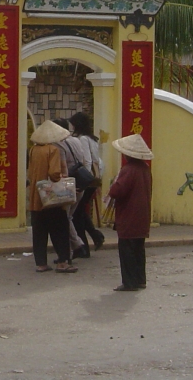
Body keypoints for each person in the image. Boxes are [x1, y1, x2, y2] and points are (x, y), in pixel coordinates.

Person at [27, 120, 76, 274]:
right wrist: (61, 177)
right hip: (51, 197)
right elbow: (54, 173)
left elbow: (30, 172)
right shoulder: (53, 150)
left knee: (39, 231)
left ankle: (41, 263)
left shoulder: (33, 150)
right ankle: (62, 262)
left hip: (36, 196)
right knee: (59, 229)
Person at [107, 134, 153, 292]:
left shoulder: (128, 170)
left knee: (127, 249)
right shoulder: (145, 169)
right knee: (139, 249)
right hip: (142, 214)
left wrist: (112, 185)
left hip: (129, 215)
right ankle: (140, 279)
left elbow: (117, 191)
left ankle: (129, 282)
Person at [68, 112, 106, 255]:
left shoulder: (83, 139)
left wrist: (85, 179)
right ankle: (95, 236)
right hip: (92, 180)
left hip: (86, 180)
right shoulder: (92, 139)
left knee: (77, 213)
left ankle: (83, 247)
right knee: (81, 212)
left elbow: (88, 160)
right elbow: (96, 160)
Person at [54, 118, 88, 259]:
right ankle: (71, 250)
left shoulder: (59, 145)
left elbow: (62, 169)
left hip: (68, 185)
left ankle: (77, 246)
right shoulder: (76, 141)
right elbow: (85, 161)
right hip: (80, 182)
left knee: (64, 218)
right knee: (68, 217)